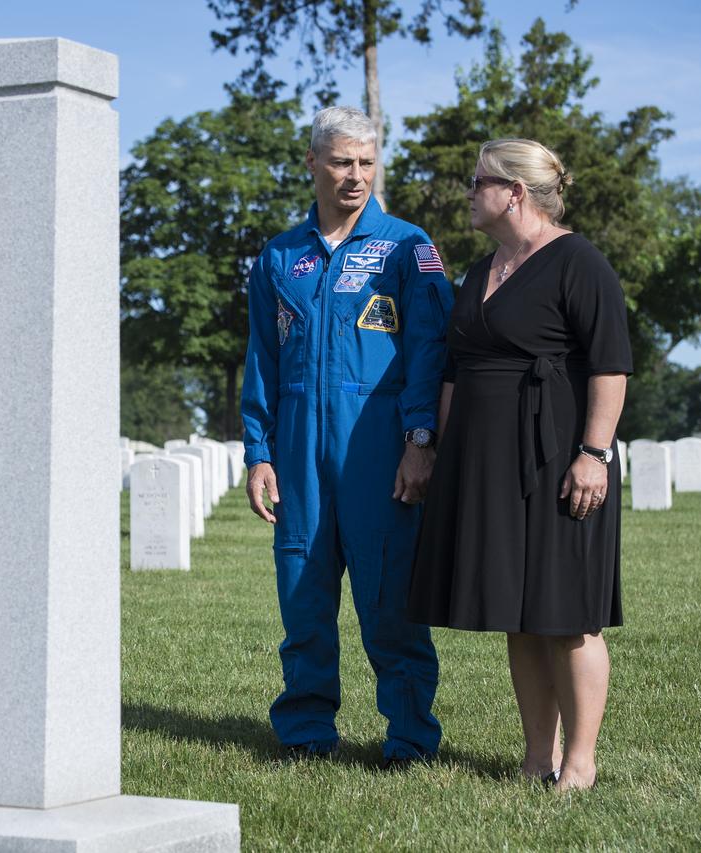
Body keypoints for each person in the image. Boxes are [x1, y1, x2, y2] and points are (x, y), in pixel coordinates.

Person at [407, 139, 631, 792]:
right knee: (520, 612)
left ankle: (580, 762)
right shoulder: (481, 271)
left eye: (477, 181)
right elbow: (455, 368)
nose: (467, 192)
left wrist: (593, 454)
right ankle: (538, 755)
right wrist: (443, 455)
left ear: (514, 192)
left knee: (567, 615)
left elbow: (611, 364)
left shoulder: (578, 262)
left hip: (558, 459)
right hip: (488, 469)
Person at [241, 106, 454, 766]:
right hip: (300, 453)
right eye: (340, 161)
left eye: (366, 162)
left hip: (379, 453)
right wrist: (260, 451)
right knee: (303, 597)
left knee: (390, 603)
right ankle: (306, 730)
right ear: (312, 164)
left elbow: (432, 349)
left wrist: (420, 440)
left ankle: (410, 736)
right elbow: (262, 360)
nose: (355, 175)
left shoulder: (408, 247)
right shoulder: (279, 257)